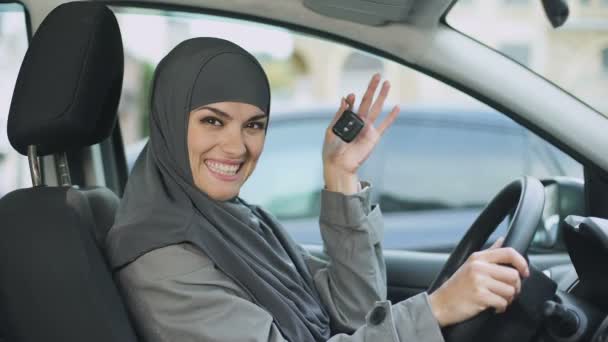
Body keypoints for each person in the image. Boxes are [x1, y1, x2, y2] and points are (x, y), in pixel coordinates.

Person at [106, 37, 529, 342]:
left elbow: (355, 312)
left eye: (254, 125)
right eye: (212, 121)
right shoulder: (164, 256)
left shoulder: (235, 221)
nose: (237, 146)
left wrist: (340, 175)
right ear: (167, 122)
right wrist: (435, 310)